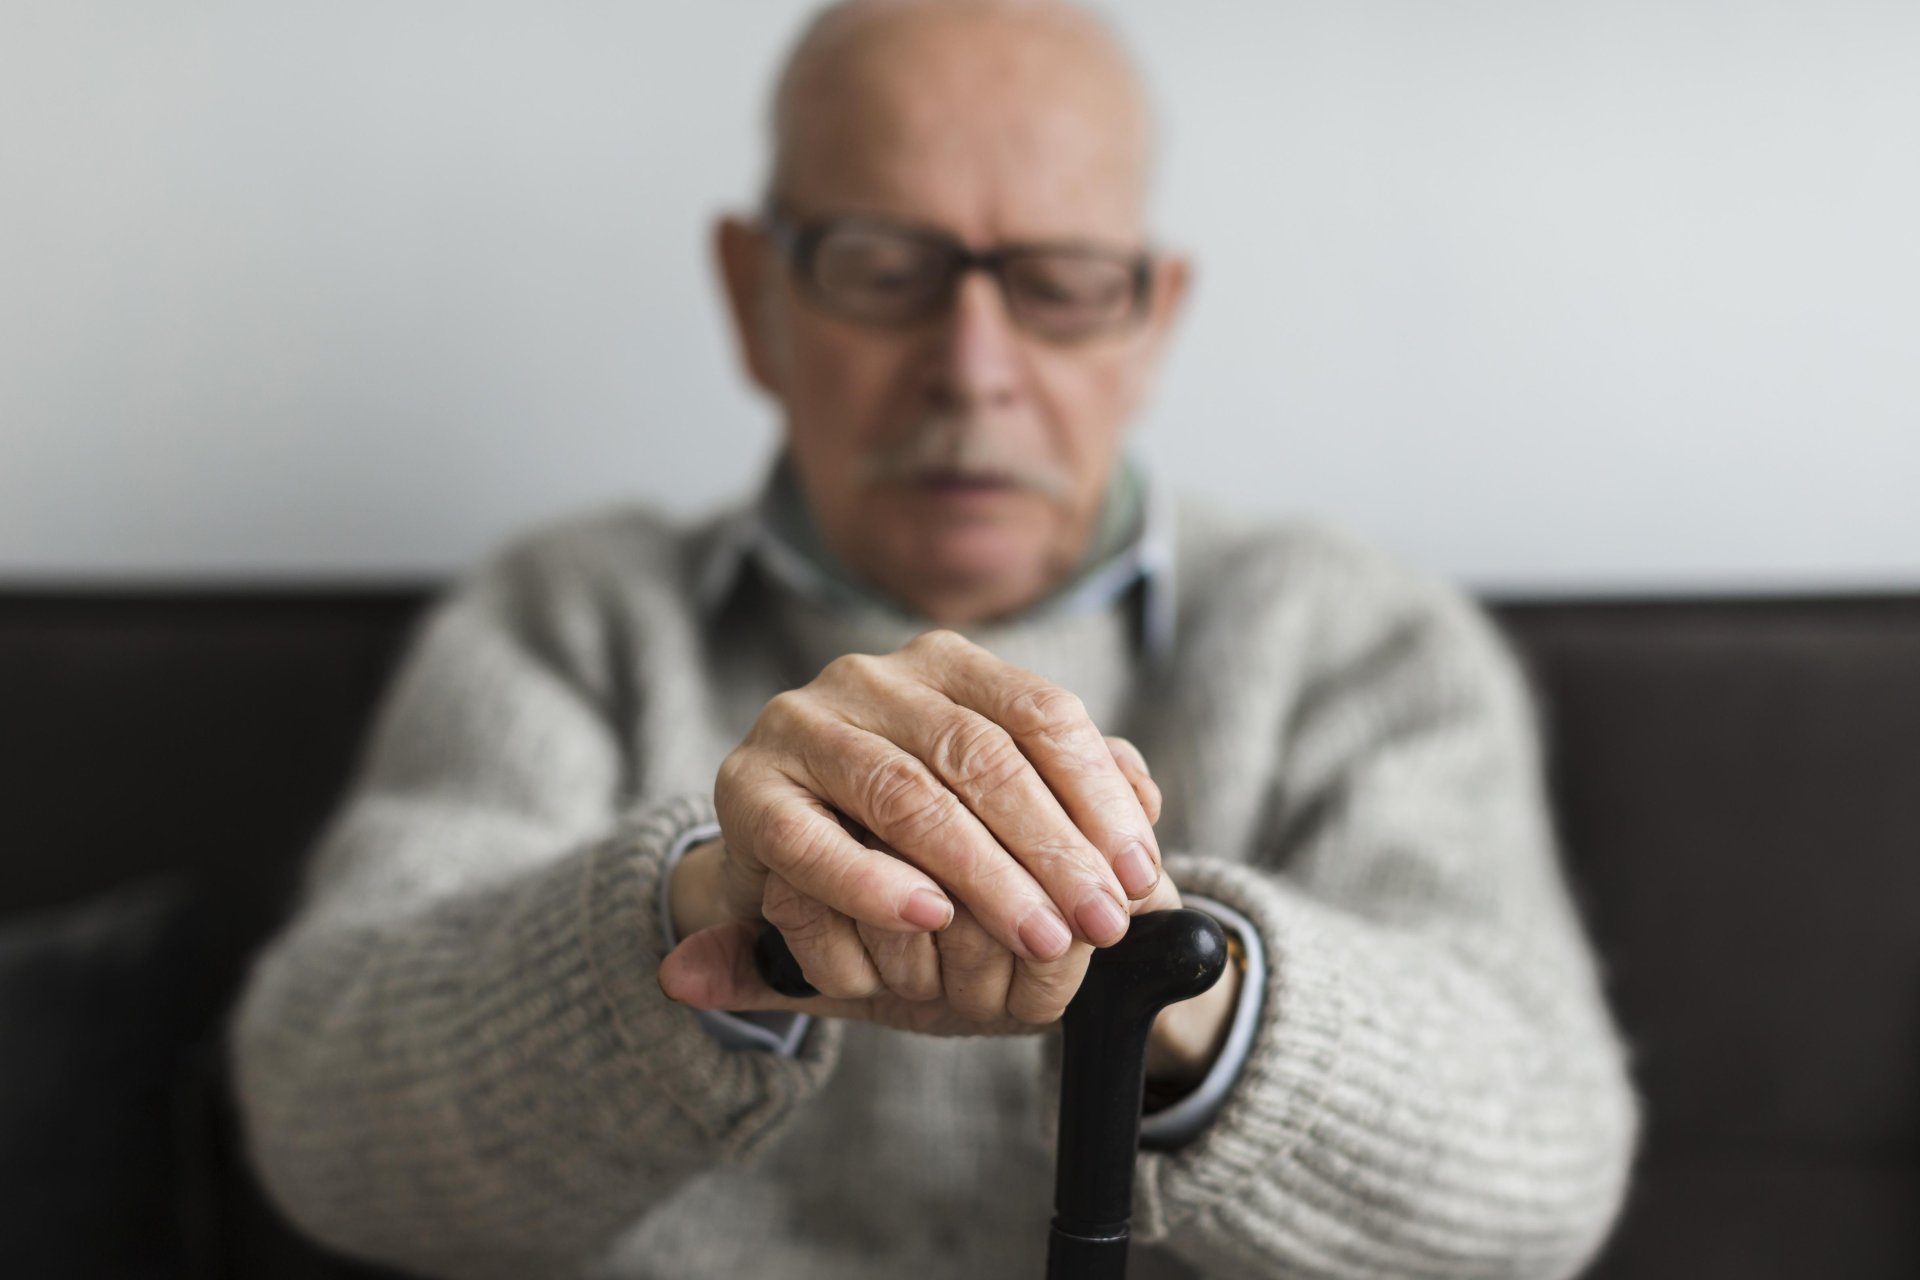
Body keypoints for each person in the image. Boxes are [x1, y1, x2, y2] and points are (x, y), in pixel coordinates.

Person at [229, 1, 1639, 1276]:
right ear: (755, 297)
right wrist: (718, 902)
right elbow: (322, 1118)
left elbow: (1539, 1173)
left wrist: (1150, 961)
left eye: (1062, 283)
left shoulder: (1361, 643)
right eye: (883, 266)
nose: (972, 368)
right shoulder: (569, 620)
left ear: (1151, 322)